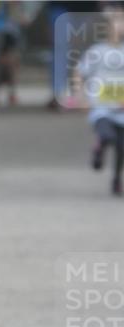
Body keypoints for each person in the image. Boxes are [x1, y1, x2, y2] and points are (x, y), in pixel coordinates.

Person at [78, 3, 124, 196]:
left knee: (121, 148)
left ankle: (116, 180)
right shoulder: (98, 51)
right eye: (118, 21)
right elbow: (79, 72)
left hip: (121, 109)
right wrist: (81, 96)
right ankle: (99, 147)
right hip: (102, 108)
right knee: (107, 134)